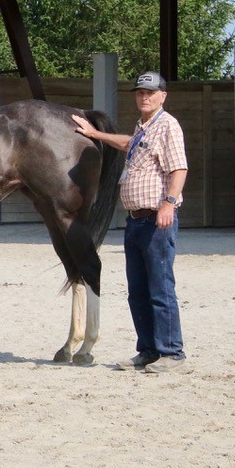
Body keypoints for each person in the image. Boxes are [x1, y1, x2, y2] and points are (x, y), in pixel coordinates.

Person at [72, 70, 189, 374]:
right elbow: (129, 145)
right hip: (136, 221)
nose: (144, 97)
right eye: (140, 92)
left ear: (163, 95)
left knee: (160, 287)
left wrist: (169, 203)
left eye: (150, 92)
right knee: (137, 290)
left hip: (156, 219)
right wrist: (96, 135)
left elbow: (179, 168)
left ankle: (172, 353)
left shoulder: (168, 126)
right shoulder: (142, 127)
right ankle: (148, 351)